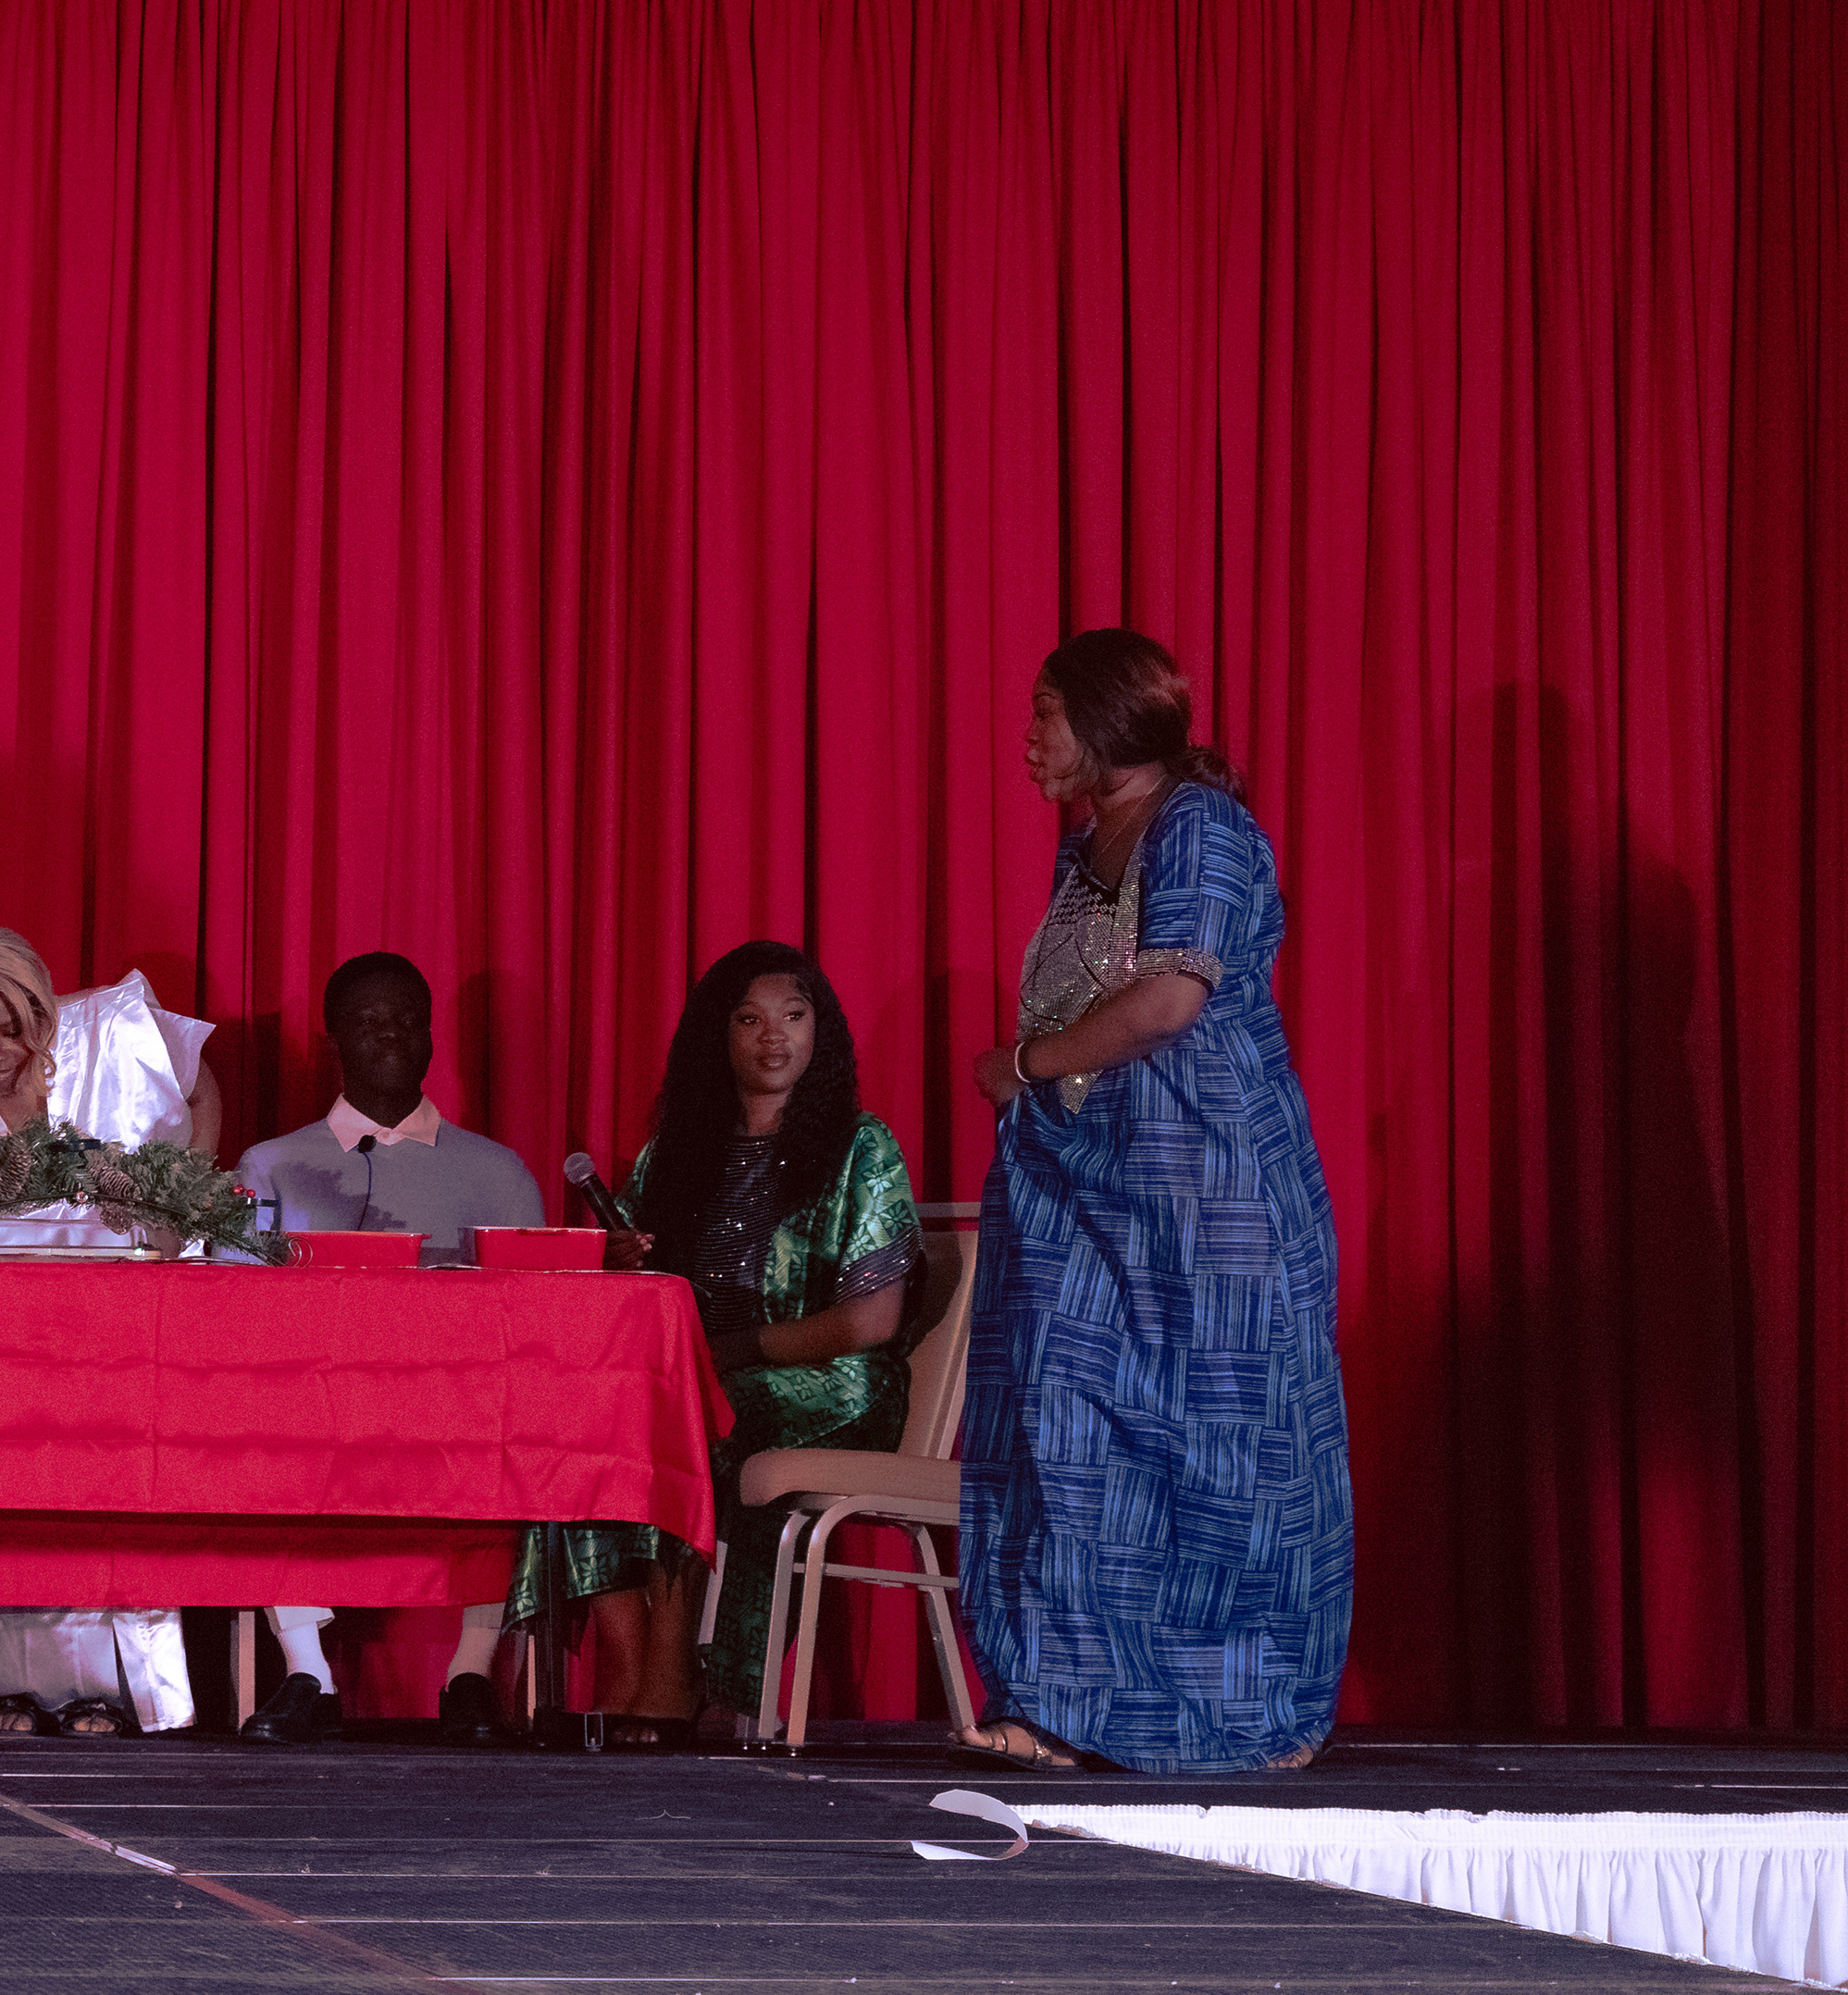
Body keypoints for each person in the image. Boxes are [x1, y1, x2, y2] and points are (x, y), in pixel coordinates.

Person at [959, 628, 1348, 1776]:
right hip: (1091, 1186)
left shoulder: (1201, 828)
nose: (1027, 737)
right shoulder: (1085, 846)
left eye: (1044, 712)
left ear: (1107, 719)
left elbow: (1171, 999)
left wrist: (1024, 1064)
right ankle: (1067, 1702)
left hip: (1211, 1193)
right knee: (1069, 1426)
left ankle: (1249, 1706)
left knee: (1222, 1444)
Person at [515, 941, 924, 1744]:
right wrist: (620, 1263)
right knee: (573, 1418)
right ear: (719, 1034)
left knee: (689, 1418)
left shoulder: (860, 1145)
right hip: (698, 1379)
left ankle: (674, 1675)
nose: (774, 1037)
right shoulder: (677, 1152)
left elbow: (871, 1322)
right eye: (749, 1020)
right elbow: (638, 1308)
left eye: (794, 1017)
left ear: (821, 1031)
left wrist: (730, 1353)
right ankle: (630, 1664)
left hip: (836, 1383)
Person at [0, 926, 223, 1735]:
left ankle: (122, 1693)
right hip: (10, 1335)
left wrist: (185, 1201)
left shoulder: (112, 1029)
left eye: (12, 1031)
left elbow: (201, 1089)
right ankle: (20, 1686)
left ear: (42, 1011)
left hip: (132, 1315)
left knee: (121, 1494)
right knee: (21, 1495)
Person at [231, 951, 542, 1745]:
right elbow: (233, 1306)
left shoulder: (497, 1171)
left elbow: (536, 1314)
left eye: (407, 1020)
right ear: (335, 1039)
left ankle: (471, 1674)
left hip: (459, 1402)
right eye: (369, 1022)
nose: (391, 1035)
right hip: (316, 1401)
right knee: (255, 1424)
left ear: (432, 1037)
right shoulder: (271, 1164)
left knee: (528, 1432)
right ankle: (308, 1673)